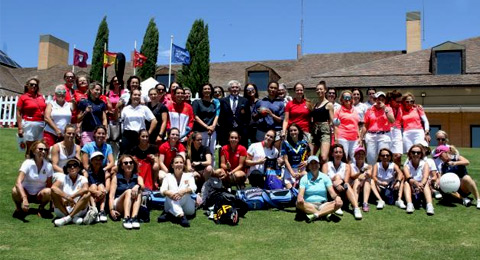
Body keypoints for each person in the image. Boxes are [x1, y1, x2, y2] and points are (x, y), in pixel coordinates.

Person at [11, 141, 52, 219]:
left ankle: (41, 208)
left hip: (39, 195)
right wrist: (24, 198)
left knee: (49, 191)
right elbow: (18, 182)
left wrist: (51, 201)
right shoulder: (27, 163)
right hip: (25, 193)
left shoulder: (49, 166)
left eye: (45, 150)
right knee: (14, 190)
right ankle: (18, 208)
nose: (43, 152)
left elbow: (49, 185)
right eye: (40, 149)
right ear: (33, 151)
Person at [296, 155, 343, 222]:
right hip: (309, 204)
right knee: (298, 203)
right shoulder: (304, 178)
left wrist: (337, 197)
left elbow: (332, 194)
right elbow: (301, 193)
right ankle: (325, 213)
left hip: (323, 204)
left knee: (340, 203)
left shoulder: (325, 177)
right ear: (308, 166)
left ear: (319, 165)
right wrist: (300, 198)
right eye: (311, 163)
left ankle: (316, 214)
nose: (314, 165)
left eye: (315, 163)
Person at [322, 144, 362, 219]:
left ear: (343, 154)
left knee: (345, 183)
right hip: (330, 191)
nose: (338, 154)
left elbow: (346, 181)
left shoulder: (347, 166)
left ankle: (356, 208)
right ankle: (338, 203)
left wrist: (338, 181)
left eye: (340, 152)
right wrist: (334, 182)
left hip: (343, 190)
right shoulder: (326, 165)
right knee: (337, 177)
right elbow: (324, 180)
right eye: (336, 152)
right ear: (332, 154)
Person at [158, 155, 197, 227]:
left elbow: (194, 187)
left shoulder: (189, 176)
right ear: (172, 165)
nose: (179, 164)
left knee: (181, 193)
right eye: (176, 162)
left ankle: (170, 214)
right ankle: (182, 217)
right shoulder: (167, 176)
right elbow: (162, 189)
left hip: (187, 207)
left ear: (184, 164)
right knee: (172, 193)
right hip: (170, 204)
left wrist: (184, 191)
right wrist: (168, 193)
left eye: (181, 162)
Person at [51, 157, 91, 226]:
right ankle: (71, 217)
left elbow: (85, 189)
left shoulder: (83, 178)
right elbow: (53, 187)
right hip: (63, 209)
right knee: (53, 192)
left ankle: (67, 218)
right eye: (69, 166)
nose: (72, 167)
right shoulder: (62, 177)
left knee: (87, 194)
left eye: (75, 165)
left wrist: (71, 197)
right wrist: (66, 197)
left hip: (78, 208)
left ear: (78, 169)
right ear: (67, 169)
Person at [109, 155, 144, 230]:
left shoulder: (138, 177)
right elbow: (111, 196)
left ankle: (134, 218)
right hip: (119, 203)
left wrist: (137, 186)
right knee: (128, 191)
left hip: (132, 203)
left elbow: (142, 186)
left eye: (131, 163)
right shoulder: (116, 178)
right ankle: (126, 218)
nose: (129, 164)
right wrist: (111, 210)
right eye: (126, 163)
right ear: (121, 166)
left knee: (139, 192)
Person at [361, 91, 395, 164]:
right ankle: (372, 173)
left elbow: (392, 121)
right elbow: (365, 126)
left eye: (382, 99)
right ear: (375, 100)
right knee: (371, 157)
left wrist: (385, 109)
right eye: (378, 99)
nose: (380, 101)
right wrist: (360, 138)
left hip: (384, 135)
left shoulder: (388, 109)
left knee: (384, 156)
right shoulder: (369, 110)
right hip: (371, 136)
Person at [120, 89, 157, 154]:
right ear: (131, 96)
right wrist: (117, 108)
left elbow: (154, 121)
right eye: (135, 95)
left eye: (139, 95)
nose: (137, 96)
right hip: (127, 135)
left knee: (138, 156)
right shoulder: (126, 108)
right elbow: (119, 119)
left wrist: (148, 133)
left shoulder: (144, 108)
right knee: (125, 155)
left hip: (139, 136)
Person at [16, 78, 47, 153]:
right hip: (29, 124)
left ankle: (37, 163)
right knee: (30, 147)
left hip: (41, 124)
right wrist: (20, 128)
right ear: (27, 86)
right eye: (31, 84)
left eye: (35, 85)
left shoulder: (41, 97)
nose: (34, 86)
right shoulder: (23, 97)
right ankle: (29, 163)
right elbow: (18, 112)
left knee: (40, 146)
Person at [403, 144, 434, 215]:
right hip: (412, 186)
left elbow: (425, 177)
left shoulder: (425, 164)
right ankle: (409, 204)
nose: (415, 154)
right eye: (413, 152)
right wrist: (416, 184)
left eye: (418, 152)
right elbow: (409, 178)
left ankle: (429, 205)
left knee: (426, 184)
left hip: (422, 186)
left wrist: (421, 185)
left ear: (421, 154)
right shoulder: (406, 166)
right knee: (406, 183)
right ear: (410, 154)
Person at [218, 80, 250, 147]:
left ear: (239, 89)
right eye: (232, 87)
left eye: (236, 87)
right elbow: (220, 116)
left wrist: (244, 126)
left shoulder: (245, 100)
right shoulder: (223, 101)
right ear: (229, 89)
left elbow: (248, 116)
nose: (235, 89)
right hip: (227, 130)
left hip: (241, 130)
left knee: (241, 149)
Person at [192, 83, 220, 158]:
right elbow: (195, 116)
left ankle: (210, 168)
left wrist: (212, 127)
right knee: (199, 151)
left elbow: (217, 115)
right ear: (201, 91)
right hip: (200, 131)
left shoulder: (215, 103)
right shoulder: (196, 102)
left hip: (211, 132)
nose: (207, 90)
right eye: (205, 89)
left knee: (211, 152)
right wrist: (207, 127)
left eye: (209, 89)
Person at [334, 90, 362, 162]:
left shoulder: (355, 110)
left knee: (355, 158)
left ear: (352, 99)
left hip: (354, 138)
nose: (347, 99)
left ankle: (356, 173)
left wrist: (359, 137)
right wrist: (336, 138)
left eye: (349, 97)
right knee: (344, 158)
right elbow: (336, 126)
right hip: (343, 137)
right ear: (342, 99)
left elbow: (356, 125)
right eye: (345, 97)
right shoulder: (338, 111)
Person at [253, 81, 284, 145]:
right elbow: (254, 118)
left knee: (275, 152)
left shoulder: (281, 103)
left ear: (277, 90)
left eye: (275, 88)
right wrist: (259, 114)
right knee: (260, 152)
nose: (273, 89)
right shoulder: (260, 102)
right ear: (267, 88)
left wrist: (271, 114)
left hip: (276, 131)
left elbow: (281, 120)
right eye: (271, 87)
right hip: (262, 130)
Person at [311, 81, 334, 163]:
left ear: (325, 90)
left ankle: (325, 174)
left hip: (325, 131)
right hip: (315, 131)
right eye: (317, 90)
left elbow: (332, 121)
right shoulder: (315, 105)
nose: (319, 91)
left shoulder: (329, 104)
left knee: (323, 157)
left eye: (321, 89)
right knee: (311, 156)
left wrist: (334, 135)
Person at [281, 123, 310, 189]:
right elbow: (285, 160)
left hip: (301, 170)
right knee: (291, 192)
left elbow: (309, 157)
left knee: (302, 191)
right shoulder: (285, 143)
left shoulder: (304, 143)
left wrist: (306, 162)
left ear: (298, 131)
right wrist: (292, 173)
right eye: (291, 131)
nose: (293, 132)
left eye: (295, 130)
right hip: (289, 170)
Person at [87, 151, 110, 223]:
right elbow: (84, 187)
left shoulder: (105, 171)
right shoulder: (87, 172)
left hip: (101, 195)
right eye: (96, 159)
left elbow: (108, 187)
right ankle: (94, 210)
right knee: (93, 186)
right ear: (91, 161)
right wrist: (96, 192)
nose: (98, 161)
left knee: (101, 186)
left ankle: (102, 211)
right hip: (91, 194)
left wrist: (103, 192)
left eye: (100, 159)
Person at [349, 147, 373, 212]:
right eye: (358, 154)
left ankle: (365, 203)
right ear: (355, 156)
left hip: (363, 185)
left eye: (362, 154)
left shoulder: (368, 166)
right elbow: (352, 176)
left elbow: (369, 175)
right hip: (353, 185)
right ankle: (355, 203)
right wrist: (361, 172)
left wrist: (362, 176)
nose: (360, 156)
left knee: (367, 181)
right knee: (357, 180)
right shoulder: (350, 165)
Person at [386, 90, 403, 165]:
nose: (399, 103)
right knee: (389, 154)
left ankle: (398, 173)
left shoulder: (401, 106)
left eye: (400, 101)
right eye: (397, 101)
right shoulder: (386, 107)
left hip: (398, 130)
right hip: (388, 131)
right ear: (392, 100)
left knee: (398, 155)